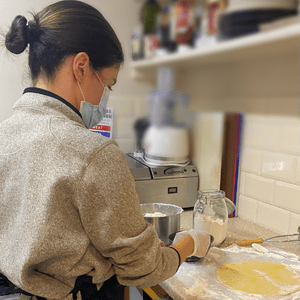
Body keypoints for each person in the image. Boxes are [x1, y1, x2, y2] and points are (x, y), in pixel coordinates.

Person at [0, 1, 212, 300]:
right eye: (108, 84)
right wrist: (189, 242)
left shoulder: (4, 134)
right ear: (81, 66)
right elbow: (144, 269)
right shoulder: (92, 152)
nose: (105, 97)